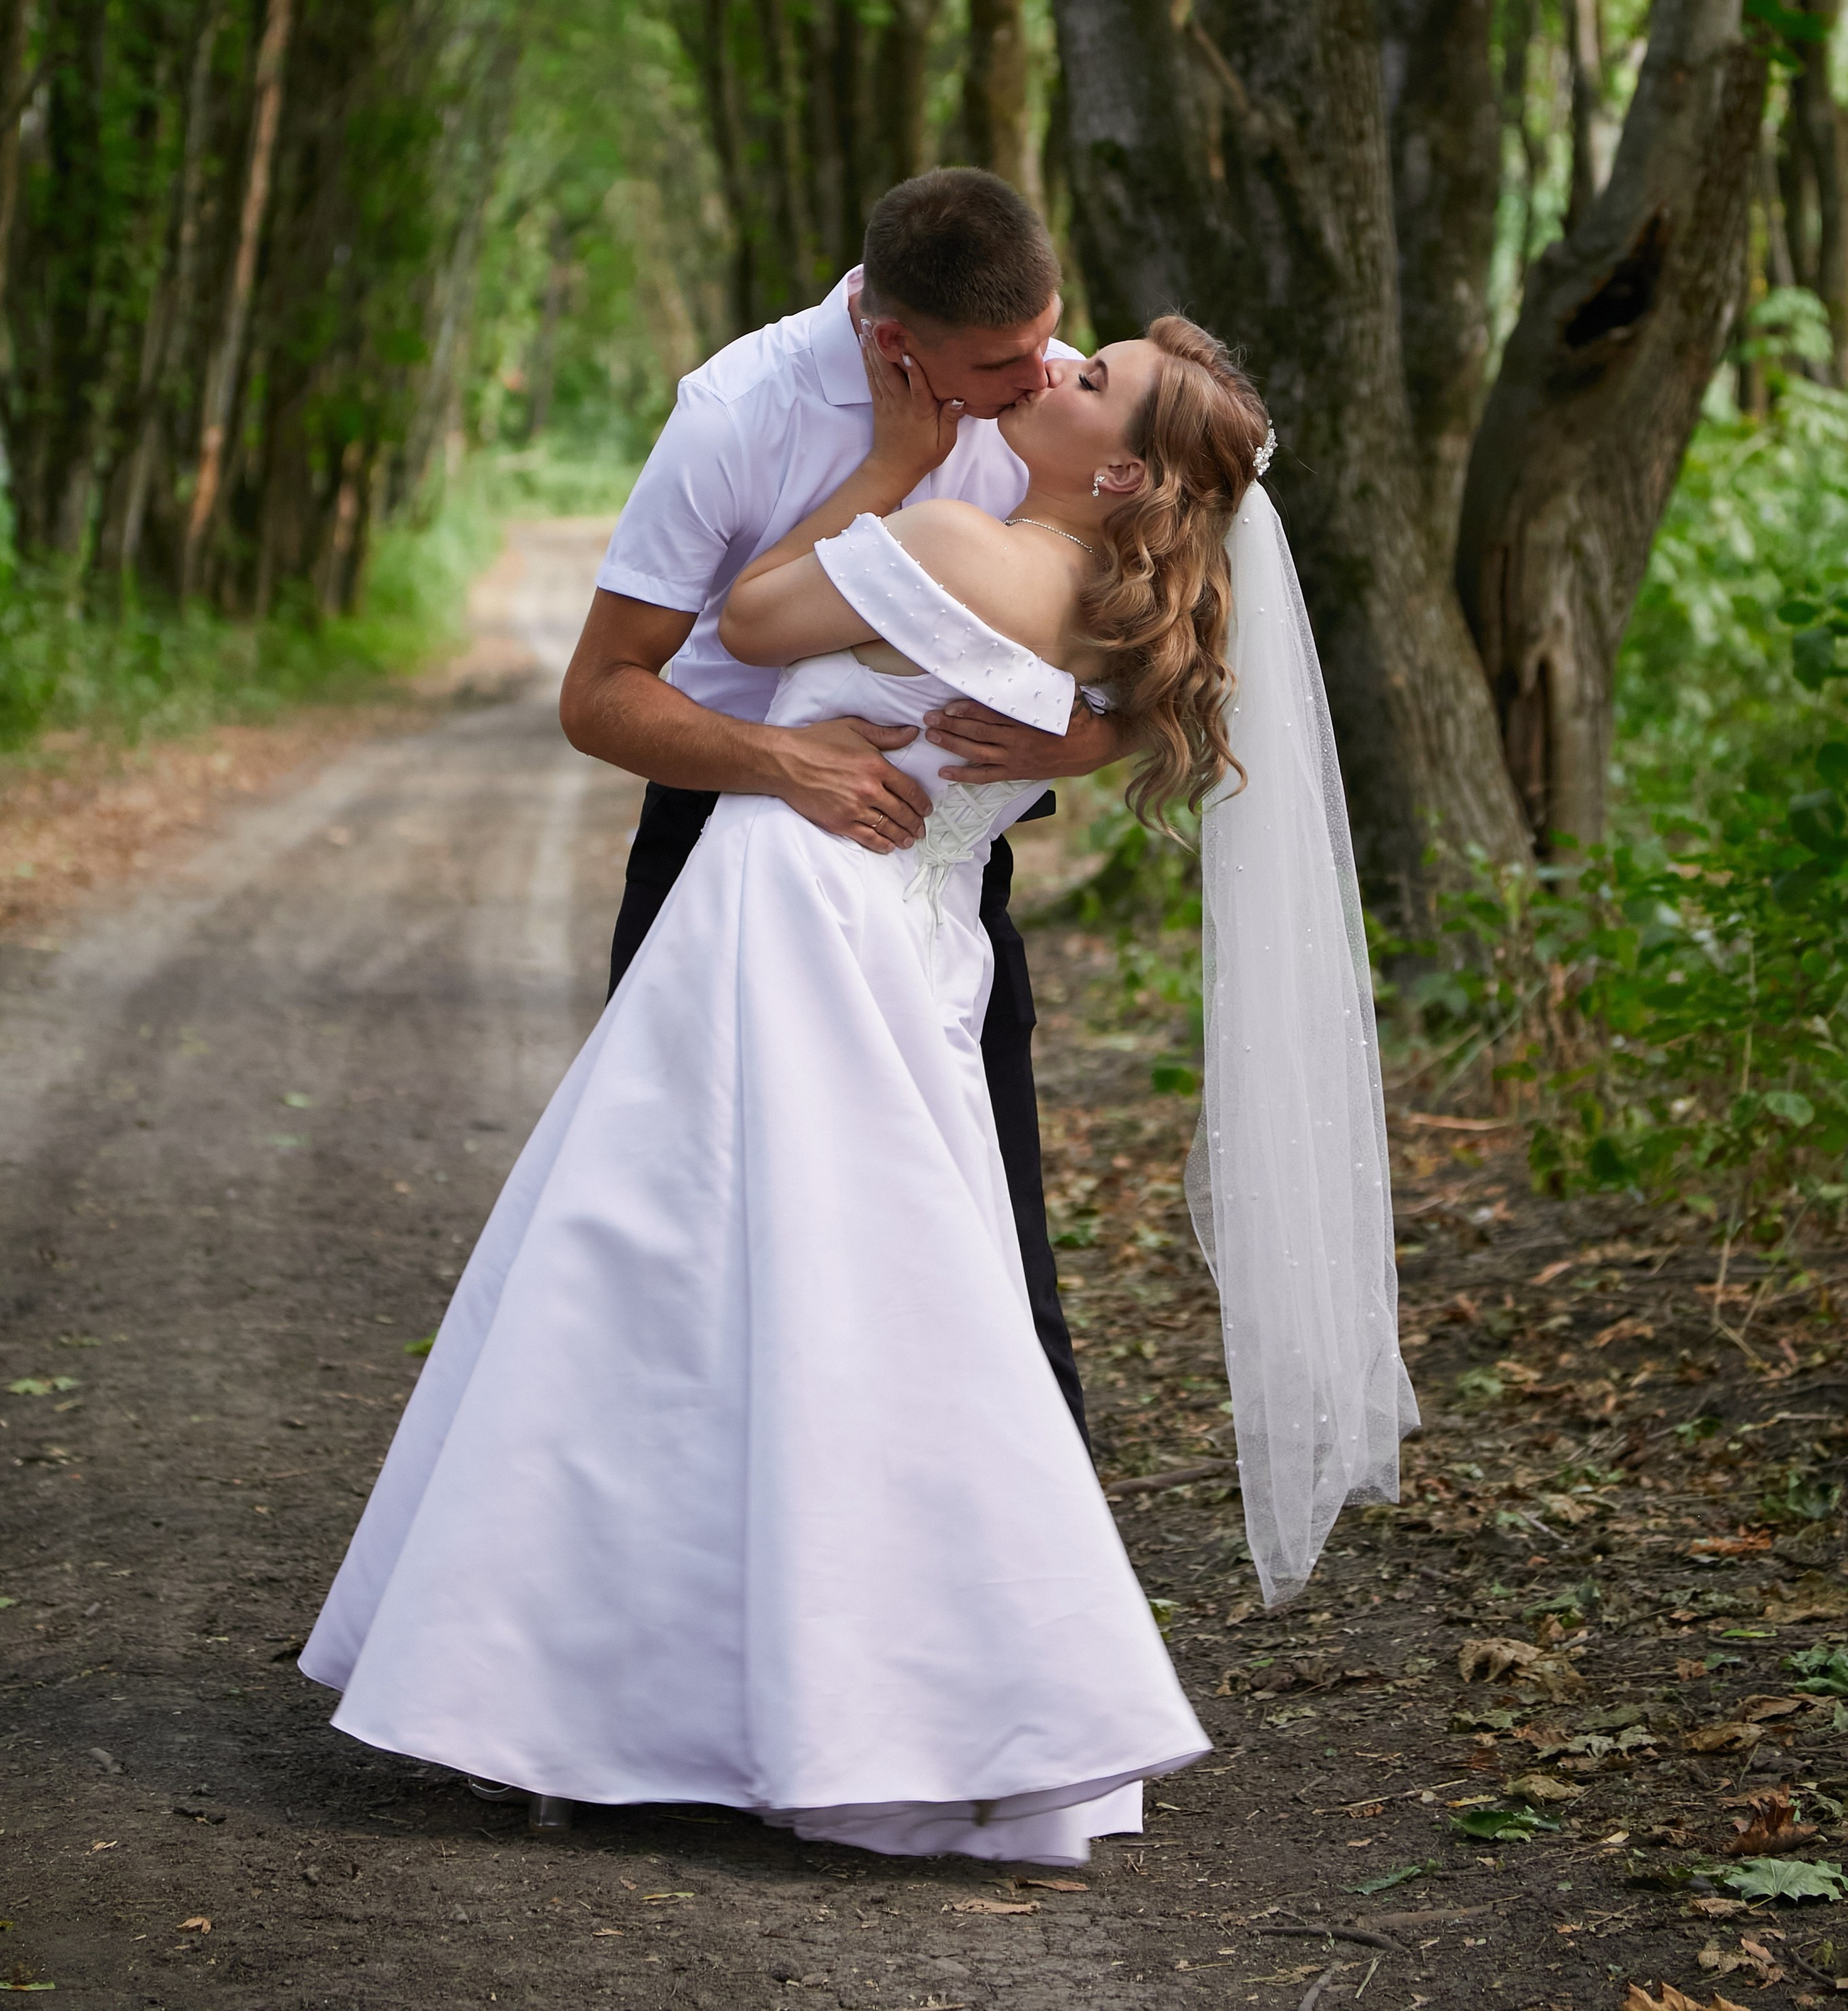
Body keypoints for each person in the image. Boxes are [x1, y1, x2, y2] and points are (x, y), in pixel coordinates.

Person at [304, 304, 1416, 1866]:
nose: (1056, 369)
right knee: (876, 1311)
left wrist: (888, 466)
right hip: (920, 946)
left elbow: (753, 621)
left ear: (1118, 478)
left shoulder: (961, 539)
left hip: (796, 916)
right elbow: (1135, 716)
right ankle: (879, 1695)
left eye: (1091, 382)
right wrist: (1080, 737)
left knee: (670, 1288)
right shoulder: (1119, 602)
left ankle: (600, 1689)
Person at [556, 169, 1125, 1444]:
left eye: (1050, 340)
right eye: (1003, 363)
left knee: (985, 1237)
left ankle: (1033, 1592)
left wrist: (1088, 741)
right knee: (690, 1234)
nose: (1041, 378)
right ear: (892, 344)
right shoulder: (734, 415)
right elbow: (598, 698)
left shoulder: (1067, 401)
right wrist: (777, 760)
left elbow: (1183, 640)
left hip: (942, 879)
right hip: (727, 861)